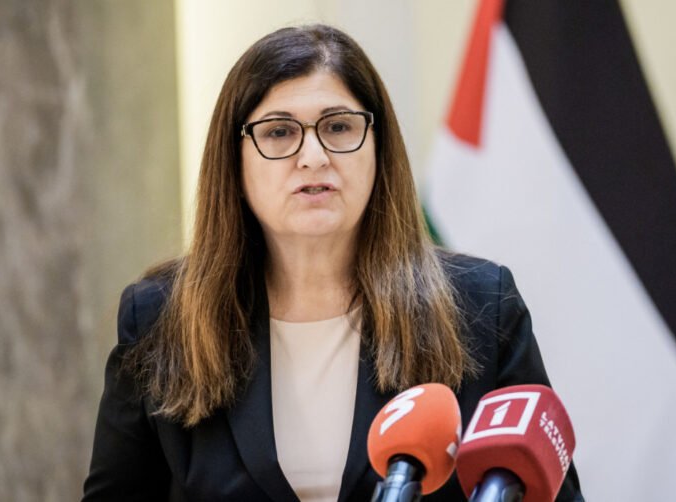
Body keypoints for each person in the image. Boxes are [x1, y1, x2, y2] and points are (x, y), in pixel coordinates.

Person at [83, 24, 583, 502]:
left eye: (339, 126)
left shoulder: (480, 306)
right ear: (233, 160)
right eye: (279, 132)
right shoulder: (159, 320)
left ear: (378, 147)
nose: (314, 156)